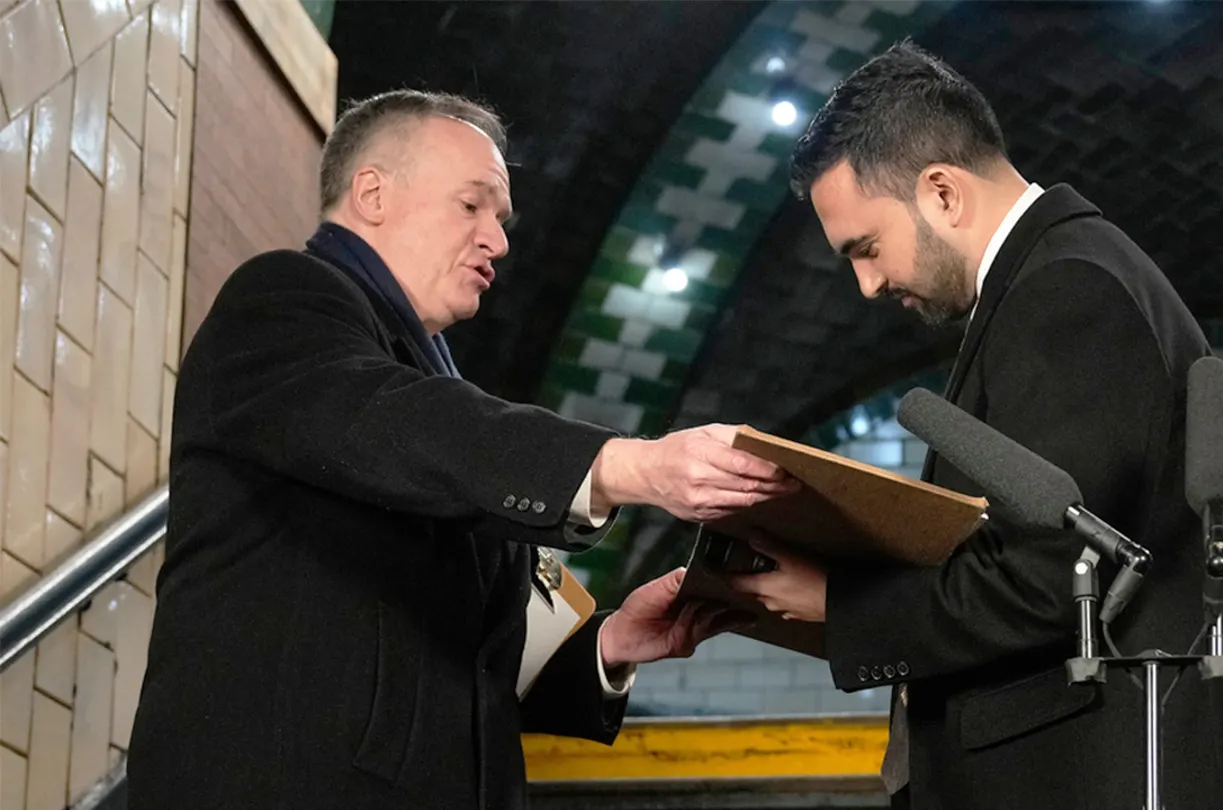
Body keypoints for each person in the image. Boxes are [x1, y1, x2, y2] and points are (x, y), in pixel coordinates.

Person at [127, 90, 796, 810]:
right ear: (373, 193)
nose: (499, 242)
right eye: (472, 205)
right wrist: (630, 464)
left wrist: (609, 647)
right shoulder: (284, 300)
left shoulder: (434, 385)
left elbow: (462, 656)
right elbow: (393, 421)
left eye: (501, 220)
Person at [731, 41, 1223, 809]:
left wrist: (841, 603)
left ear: (942, 193)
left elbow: (1058, 571)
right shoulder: (1059, 277)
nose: (866, 283)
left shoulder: (1068, 291)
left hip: (1094, 776)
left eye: (865, 247)